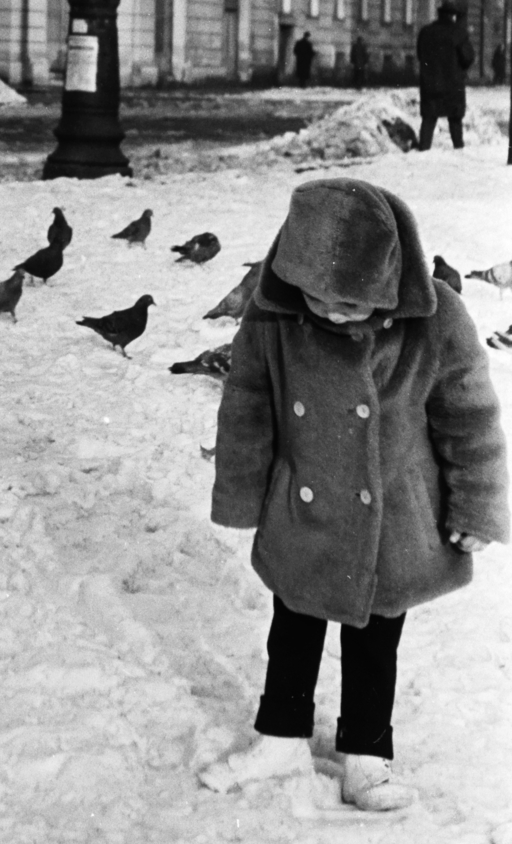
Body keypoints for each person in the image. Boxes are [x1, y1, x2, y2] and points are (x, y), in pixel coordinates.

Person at [200, 177, 508, 813]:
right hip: (303, 504)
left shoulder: (438, 316)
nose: (335, 315)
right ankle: (280, 734)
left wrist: (475, 507)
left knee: (375, 640)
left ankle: (367, 755)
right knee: (293, 624)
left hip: (391, 515)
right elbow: (249, 403)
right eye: (321, 300)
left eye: (353, 305)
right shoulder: (275, 314)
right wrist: (240, 489)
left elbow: (468, 416)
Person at [416, 1, 473, 149]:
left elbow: (420, 55)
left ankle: (423, 148)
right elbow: (467, 58)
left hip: (430, 83)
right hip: (453, 85)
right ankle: (458, 149)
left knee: (428, 119)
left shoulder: (425, 31)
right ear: (453, 16)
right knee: (455, 120)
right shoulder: (458, 33)